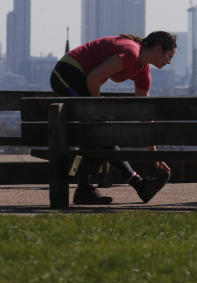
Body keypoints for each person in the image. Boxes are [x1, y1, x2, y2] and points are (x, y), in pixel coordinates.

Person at [49, 31, 177, 205]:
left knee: (97, 134)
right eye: (169, 56)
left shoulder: (143, 73)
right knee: (101, 130)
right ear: (158, 48)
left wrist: (154, 153)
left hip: (80, 79)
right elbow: (93, 78)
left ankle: (85, 191)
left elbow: (143, 113)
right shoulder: (131, 52)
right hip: (67, 73)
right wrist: (97, 112)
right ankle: (137, 185)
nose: (169, 61)